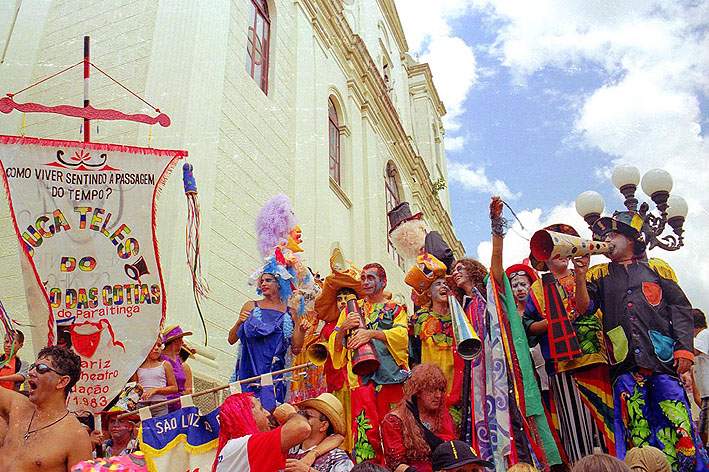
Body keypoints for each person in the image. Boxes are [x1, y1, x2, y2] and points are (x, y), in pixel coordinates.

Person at [574, 211, 709, 471]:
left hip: (663, 362)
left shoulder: (657, 268)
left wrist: (684, 350)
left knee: (677, 421)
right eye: (604, 236)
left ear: (632, 238)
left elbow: (680, 309)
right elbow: (584, 308)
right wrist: (580, 274)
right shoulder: (598, 275)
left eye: (613, 234)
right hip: (624, 364)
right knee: (635, 429)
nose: (607, 239)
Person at [449, 197, 559, 470]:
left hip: (505, 369)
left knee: (517, 416)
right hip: (478, 378)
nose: (455, 272)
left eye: (460, 267)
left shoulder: (490, 290)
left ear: (473, 271)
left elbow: (496, 262)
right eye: (453, 271)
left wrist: (496, 227)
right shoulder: (461, 307)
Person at [523, 223, 607, 465]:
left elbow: (589, 308)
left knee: (605, 426)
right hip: (561, 369)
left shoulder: (590, 276)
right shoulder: (536, 290)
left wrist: (580, 276)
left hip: (595, 361)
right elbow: (528, 327)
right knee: (574, 431)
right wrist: (552, 323)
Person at [329, 262, 408, 464]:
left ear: (383, 282)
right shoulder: (351, 310)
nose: (365, 282)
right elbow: (336, 345)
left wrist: (371, 334)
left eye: (370, 278)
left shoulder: (395, 309)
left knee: (394, 429)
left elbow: (402, 336)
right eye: (363, 278)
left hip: (390, 378)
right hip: (360, 379)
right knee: (365, 431)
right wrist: (343, 328)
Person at [228, 255, 306, 411]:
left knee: (271, 415)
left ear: (279, 284)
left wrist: (302, 331)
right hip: (248, 371)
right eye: (262, 281)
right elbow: (231, 339)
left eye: (268, 280)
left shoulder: (291, 312)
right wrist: (239, 322)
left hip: (275, 375)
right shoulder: (250, 306)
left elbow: (296, 349)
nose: (263, 284)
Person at [0, 345, 92, 471]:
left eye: (41, 369)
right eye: (33, 367)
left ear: (62, 382)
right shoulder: (17, 406)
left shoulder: (76, 436)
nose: (31, 372)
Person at [314, 248, 363, 453]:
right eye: (340, 298)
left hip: (359, 378)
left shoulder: (364, 317)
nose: (343, 302)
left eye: (347, 298)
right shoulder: (327, 325)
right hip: (336, 379)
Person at [381, 363, 456, 472]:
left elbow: (449, 451)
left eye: (440, 390)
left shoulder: (441, 414)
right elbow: (396, 464)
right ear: (417, 392)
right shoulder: (395, 420)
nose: (438, 395)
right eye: (432, 390)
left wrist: (421, 427)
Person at [213, 393, 311, 472]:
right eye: (261, 409)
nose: (267, 414)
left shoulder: (235, 449)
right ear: (247, 414)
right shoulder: (244, 445)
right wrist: (291, 414)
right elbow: (302, 427)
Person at [405, 254, 456, 392]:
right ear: (428, 293)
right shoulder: (418, 318)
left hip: (456, 387)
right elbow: (412, 354)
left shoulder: (458, 316)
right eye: (438, 284)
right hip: (428, 388)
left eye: (446, 284)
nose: (443, 286)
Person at [286, 392, 353, 472]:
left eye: (308, 416)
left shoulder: (337, 458)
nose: (301, 419)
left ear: (324, 426)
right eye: (300, 414)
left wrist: (308, 470)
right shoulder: (291, 447)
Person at [388, 202, 455, 272]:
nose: (409, 242)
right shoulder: (418, 259)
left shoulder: (431, 237)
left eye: (409, 235)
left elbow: (445, 257)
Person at [131, 340, 177, 417]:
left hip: (160, 405)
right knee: (142, 428)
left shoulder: (165, 365)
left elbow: (174, 388)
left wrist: (155, 390)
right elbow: (135, 388)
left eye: (159, 345)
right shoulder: (137, 367)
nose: (156, 348)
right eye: (152, 346)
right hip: (141, 405)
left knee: (159, 427)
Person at [160, 324, 192, 413]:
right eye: (181, 339)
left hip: (179, 405)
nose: (182, 342)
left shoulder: (178, 361)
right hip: (164, 405)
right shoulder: (160, 358)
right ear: (175, 341)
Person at [691, 309, 709, 446]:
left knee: (705, 431)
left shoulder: (704, 335)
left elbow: (694, 351)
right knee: (703, 429)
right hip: (705, 394)